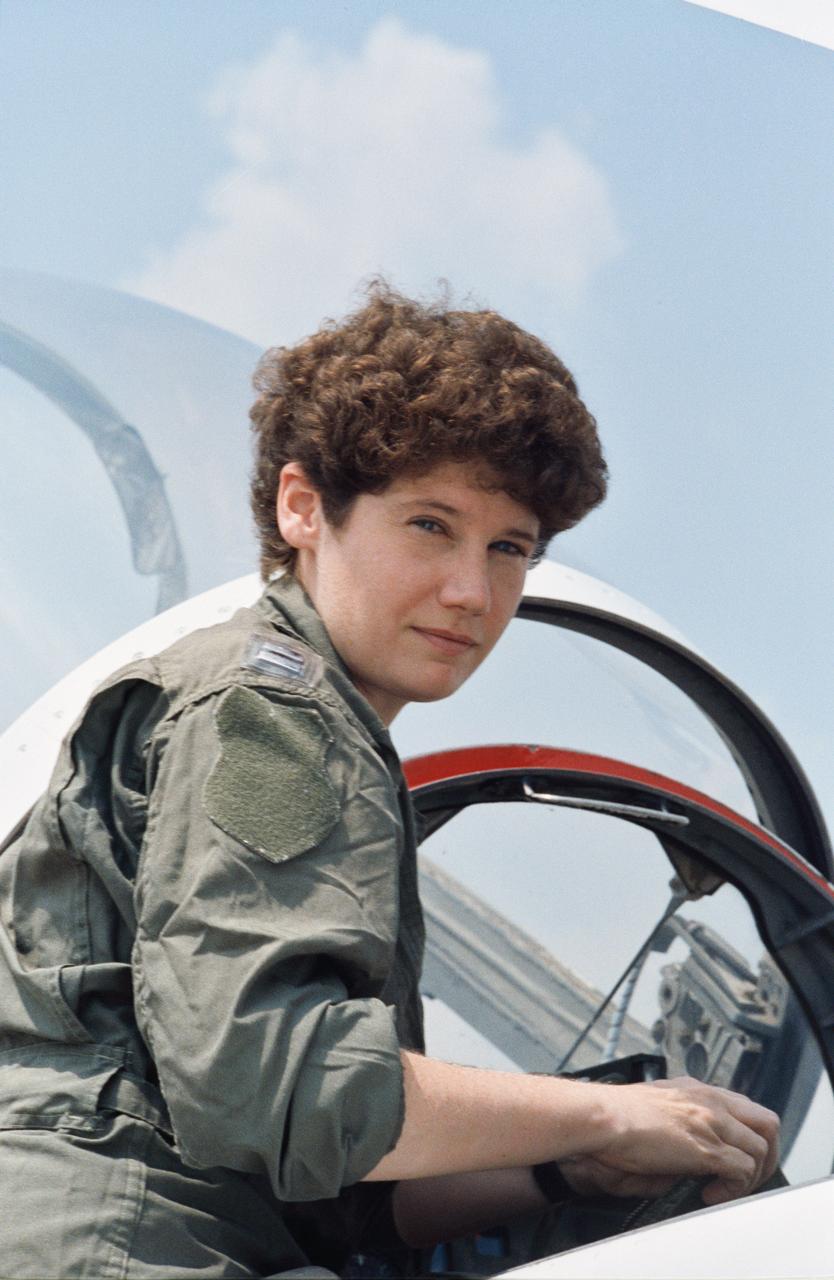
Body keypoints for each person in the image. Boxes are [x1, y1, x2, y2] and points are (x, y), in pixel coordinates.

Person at [0, 284, 778, 1278]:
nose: (473, 591)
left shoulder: (302, 716)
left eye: (509, 548)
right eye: (430, 525)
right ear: (302, 507)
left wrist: (569, 1163)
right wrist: (609, 1109)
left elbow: (335, 1192)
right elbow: (279, 1086)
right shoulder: (270, 711)